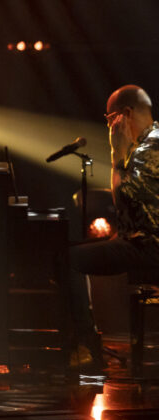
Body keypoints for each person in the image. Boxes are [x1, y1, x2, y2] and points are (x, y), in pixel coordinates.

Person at [68, 85, 159, 369]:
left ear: (126, 114)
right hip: (143, 241)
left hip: (148, 247)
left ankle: (85, 344)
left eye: (110, 119)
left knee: (68, 260)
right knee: (72, 252)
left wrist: (116, 155)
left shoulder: (149, 149)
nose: (109, 126)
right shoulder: (149, 143)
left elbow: (122, 200)